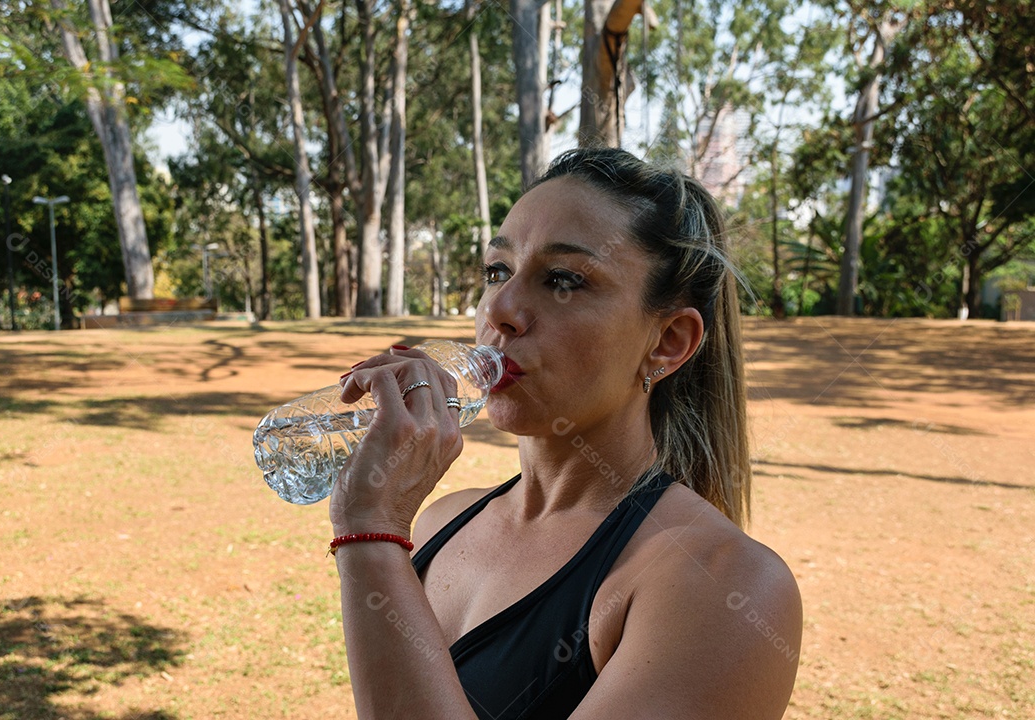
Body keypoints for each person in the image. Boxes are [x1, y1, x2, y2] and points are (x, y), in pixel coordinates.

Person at [331, 147, 802, 719]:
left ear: (669, 341)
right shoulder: (436, 524)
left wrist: (371, 534)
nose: (499, 310)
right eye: (497, 271)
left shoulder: (723, 585)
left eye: (562, 280)